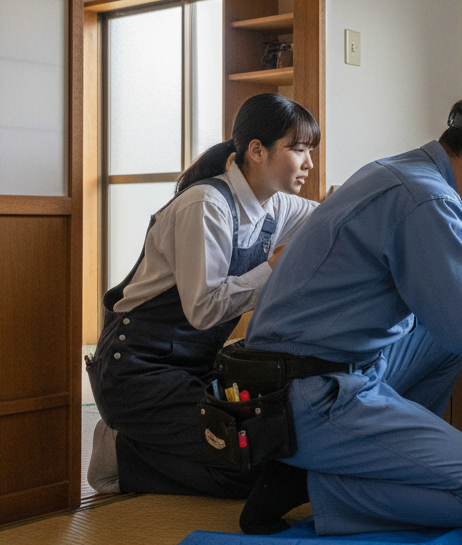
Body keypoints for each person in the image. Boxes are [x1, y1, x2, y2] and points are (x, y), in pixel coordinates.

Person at [232, 87, 462, 536]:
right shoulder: (428, 199)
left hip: (302, 373)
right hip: (311, 394)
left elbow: (458, 302)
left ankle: (387, 458)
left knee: (438, 338)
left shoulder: (399, 172)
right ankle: (310, 483)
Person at [86, 93, 320, 498]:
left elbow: (334, 217)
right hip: (136, 373)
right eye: (298, 149)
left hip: (196, 371)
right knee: (246, 474)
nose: (309, 163)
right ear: (257, 150)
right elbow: (203, 310)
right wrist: (273, 268)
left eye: (310, 150)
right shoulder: (205, 204)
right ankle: (121, 454)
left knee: (273, 453)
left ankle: (146, 438)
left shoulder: (277, 207)